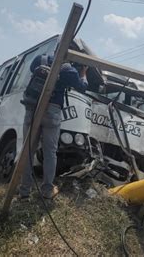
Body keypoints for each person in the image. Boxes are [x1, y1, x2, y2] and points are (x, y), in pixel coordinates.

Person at [19, 54, 88, 200]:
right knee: (50, 152)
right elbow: (82, 88)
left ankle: (24, 191)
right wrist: (83, 73)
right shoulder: (70, 71)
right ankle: (47, 190)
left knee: (28, 150)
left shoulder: (40, 59)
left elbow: (32, 71)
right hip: (52, 111)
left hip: (32, 108)